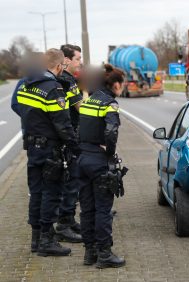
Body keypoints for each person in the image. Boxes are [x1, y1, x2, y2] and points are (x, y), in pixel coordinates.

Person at [17, 48, 78, 256]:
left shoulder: (26, 85)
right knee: (51, 194)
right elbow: (63, 124)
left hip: (32, 147)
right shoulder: (53, 89)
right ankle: (46, 240)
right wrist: (75, 146)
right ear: (60, 66)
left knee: (36, 193)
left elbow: (20, 109)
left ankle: (36, 239)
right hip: (50, 150)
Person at [77, 64, 126, 268]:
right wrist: (108, 151)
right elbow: (111, 131)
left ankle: (90, 253)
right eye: (122, 85)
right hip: (98, 161)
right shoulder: (109, 103)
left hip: (82, 160)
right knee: (103, 210)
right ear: (116, 85)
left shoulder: (89, 101)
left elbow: (80, 129)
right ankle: (105, 254)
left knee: (87, 209)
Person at [53, 44, 84, 243]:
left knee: (70, 180)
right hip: (69, 137)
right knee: (71, 181)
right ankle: (64, 224)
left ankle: (69, 220)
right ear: (66, 60)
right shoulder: (66, 80)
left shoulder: (59, 78)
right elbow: (81, 107)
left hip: (63, 136)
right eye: (77, 59)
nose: (80, 62)